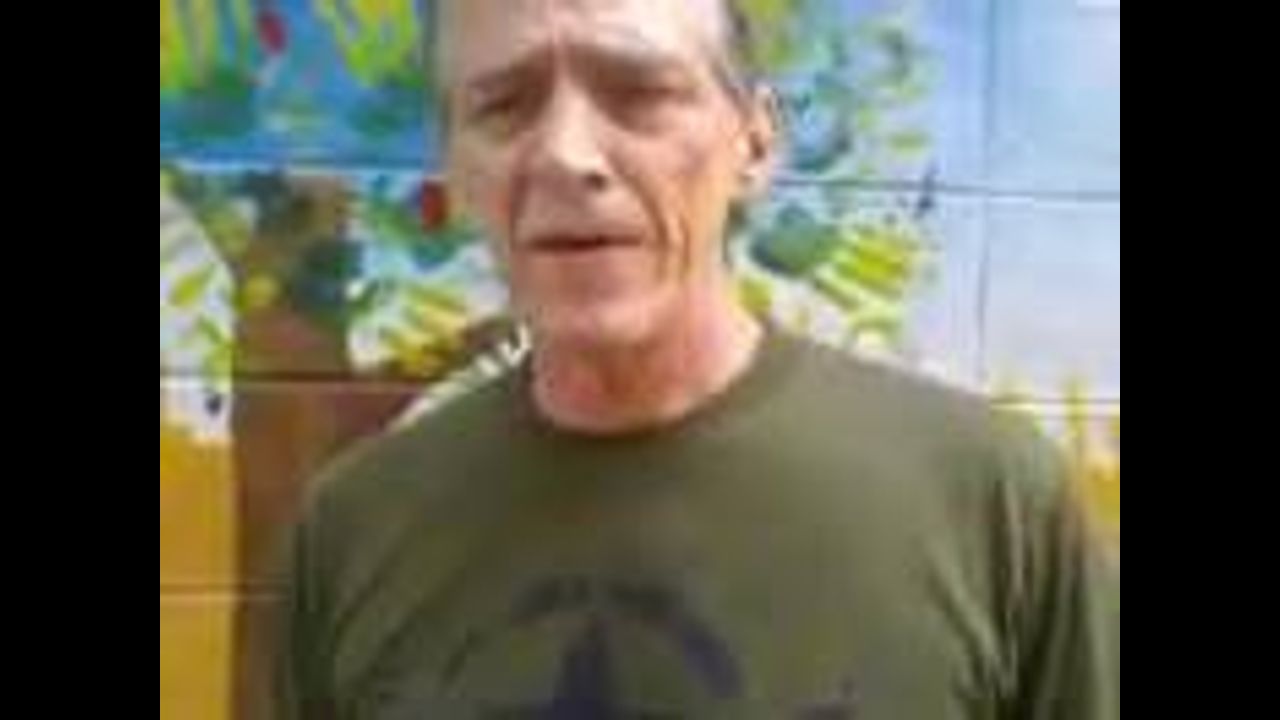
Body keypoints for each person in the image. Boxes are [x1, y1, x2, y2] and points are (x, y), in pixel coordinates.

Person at [276, 0, 1120, 717]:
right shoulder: (352, 533)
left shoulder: (992, 508)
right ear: (455, 169)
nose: (567, 154)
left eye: (639, 94)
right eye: (504, 106)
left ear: (754, 142)